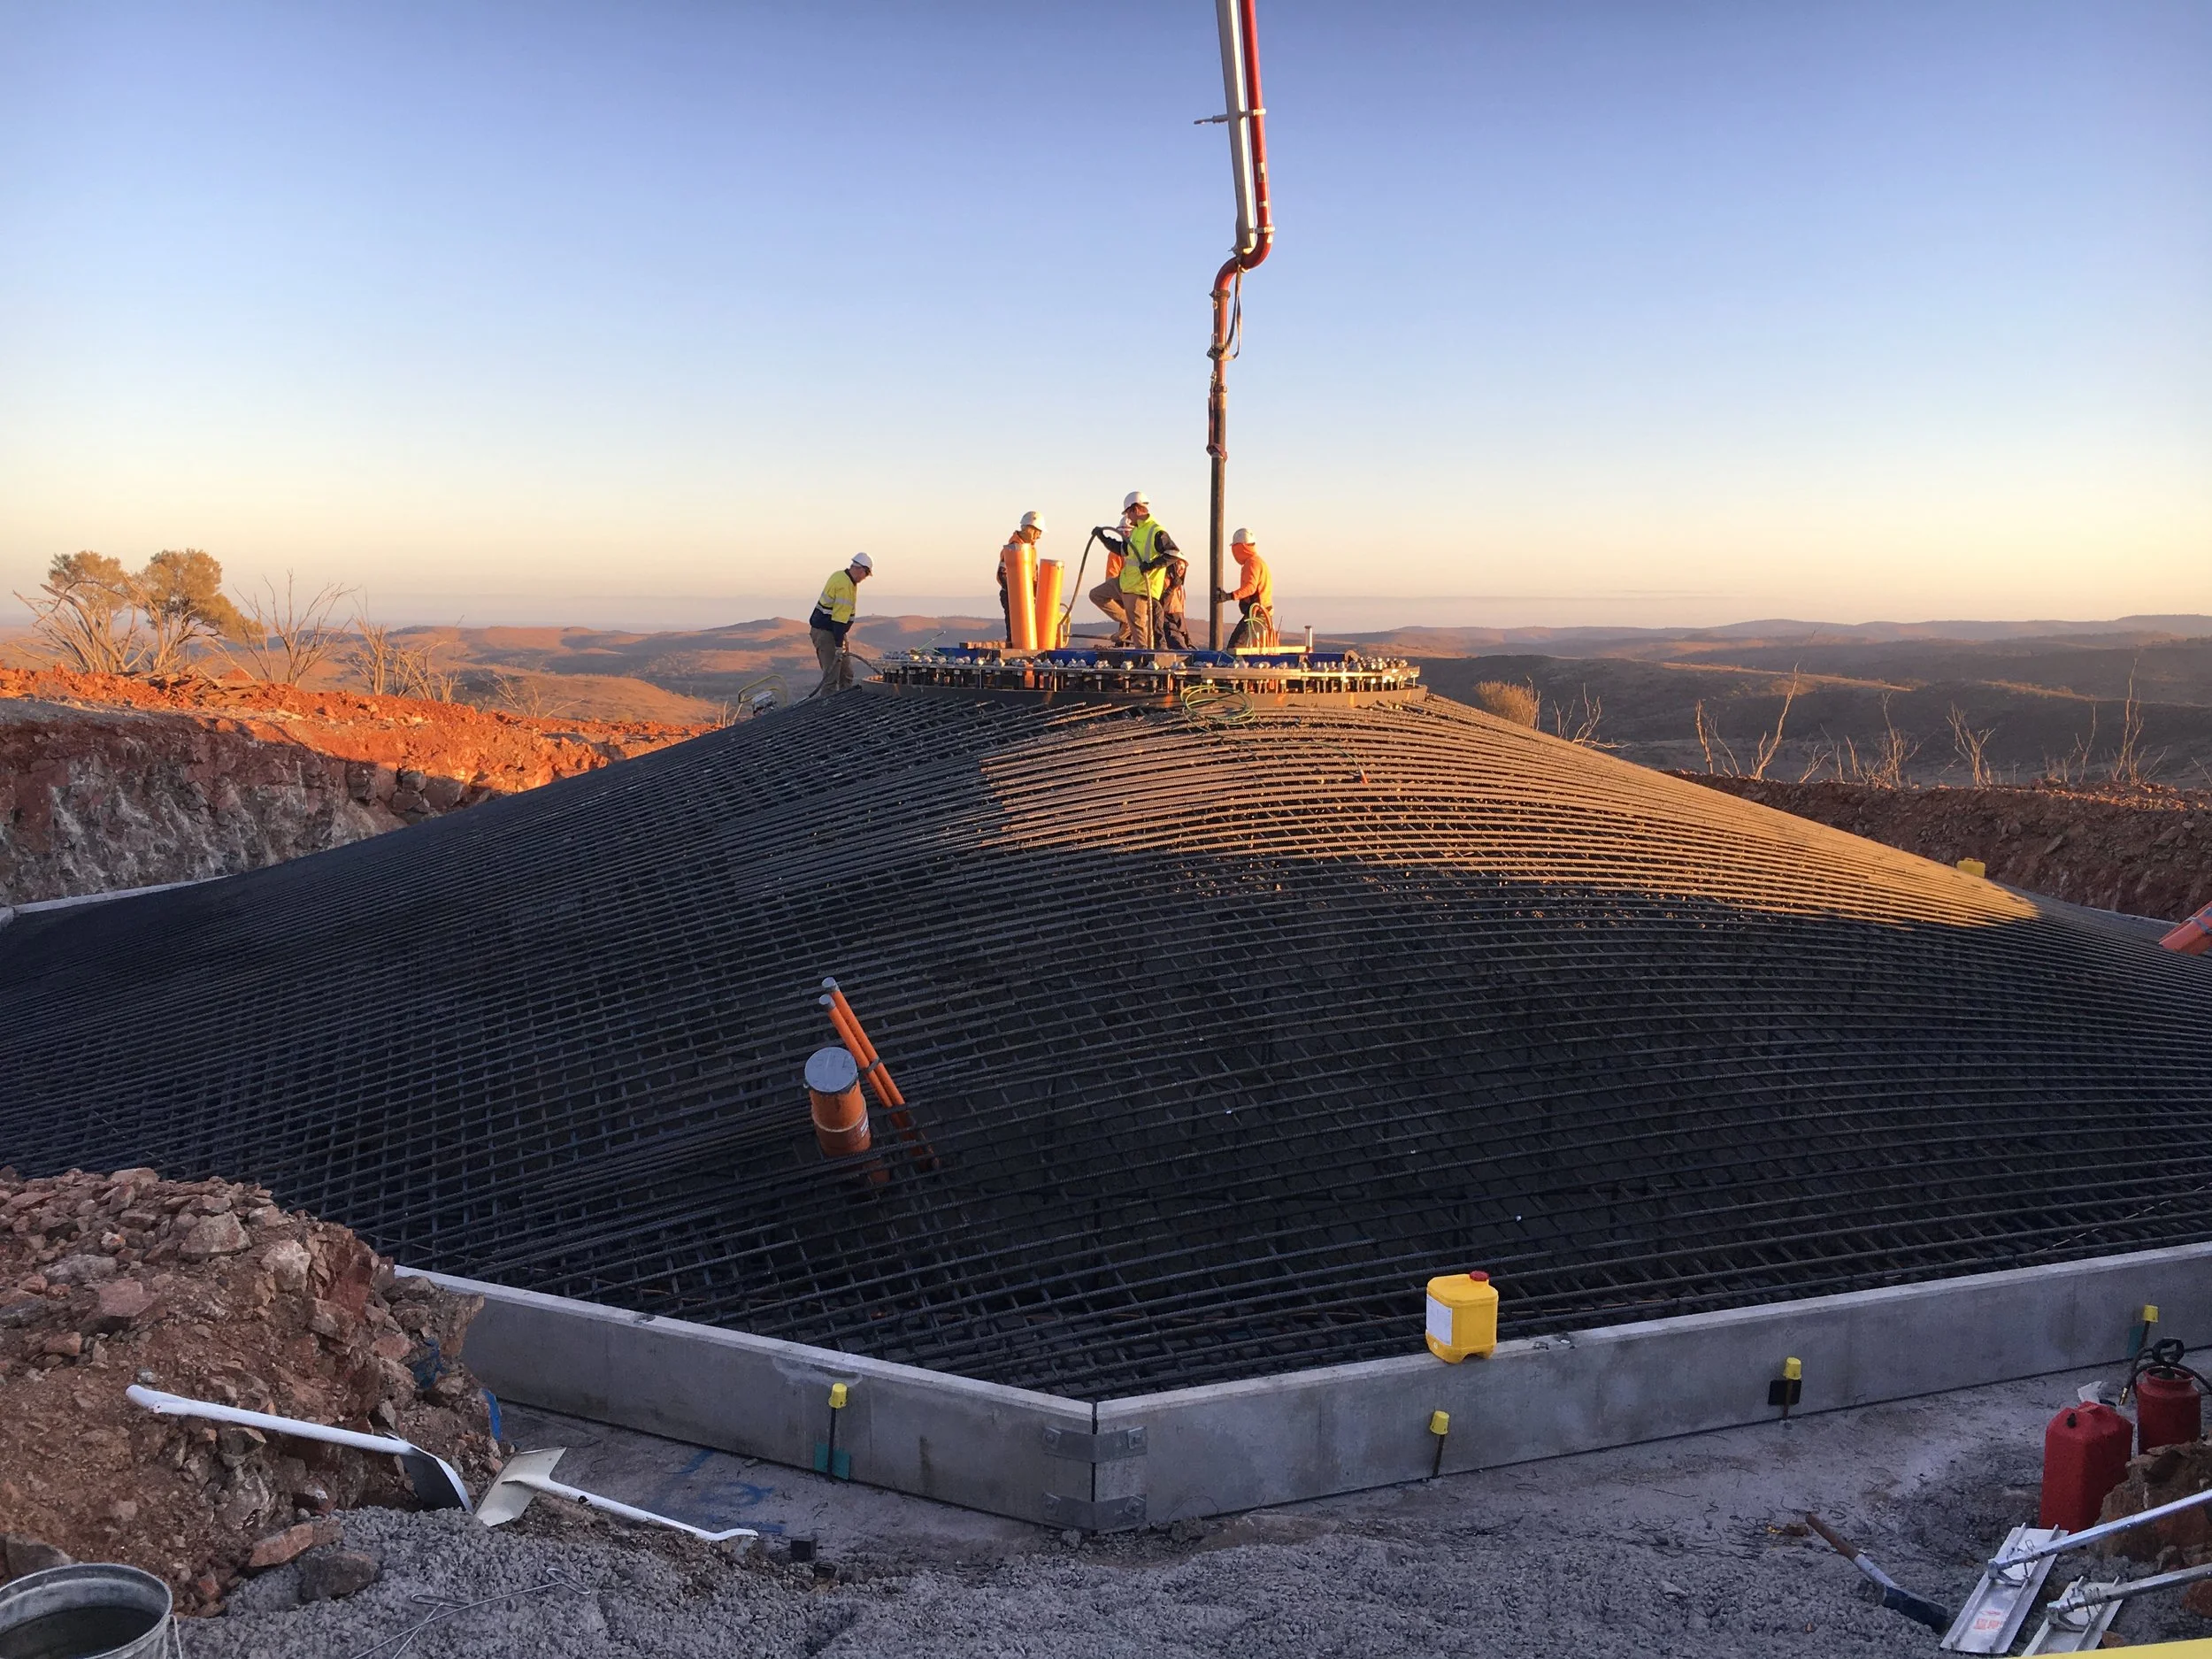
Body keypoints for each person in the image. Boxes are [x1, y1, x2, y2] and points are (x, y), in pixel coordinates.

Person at [1088, 490, 1176, 649]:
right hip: (1125, 583)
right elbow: (1123, 550)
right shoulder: (1137, 530)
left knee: (1139, 635)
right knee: (1096, 595)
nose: (1128, 518)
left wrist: (1151, 566)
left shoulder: (1156, 531)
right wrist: (1103, 538)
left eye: (1129, 513)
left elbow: (1173, 553)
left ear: (1135, 509)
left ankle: (1144, 662)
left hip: (1140, 588)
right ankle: (1126, 620)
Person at [808, 552, 872, 695]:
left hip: (836, 632)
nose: (864, 578)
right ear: (861, 570)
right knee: (831, 677)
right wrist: (838, 645)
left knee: (846, 673)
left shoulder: (842, 577)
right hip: (827, 633)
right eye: (866, 575)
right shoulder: (844, 585)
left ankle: (844, 702)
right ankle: (827, 708)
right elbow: (838, 620)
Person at [1217, 527, 1276, 649]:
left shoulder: (1252, 563)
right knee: (1243, 648)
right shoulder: (1257, 561)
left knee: (1236, 648)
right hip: (1260, 614)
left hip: (1257, 615)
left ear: (1240, 547)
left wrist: (1229, 596)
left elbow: (1250, 588)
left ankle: (1238, 669)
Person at [997, 511, 1047, 644]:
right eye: (1038, 531)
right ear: (1028, 529)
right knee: (1017, 635)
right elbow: (1002, 575)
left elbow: (1033, 575)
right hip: (1013, 597)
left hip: (1027, 597)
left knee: (1029, 633)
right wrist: (1018, 595)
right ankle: (1015, 657)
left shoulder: (1029, 549)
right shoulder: (1013, 548)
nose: (1039, 536)